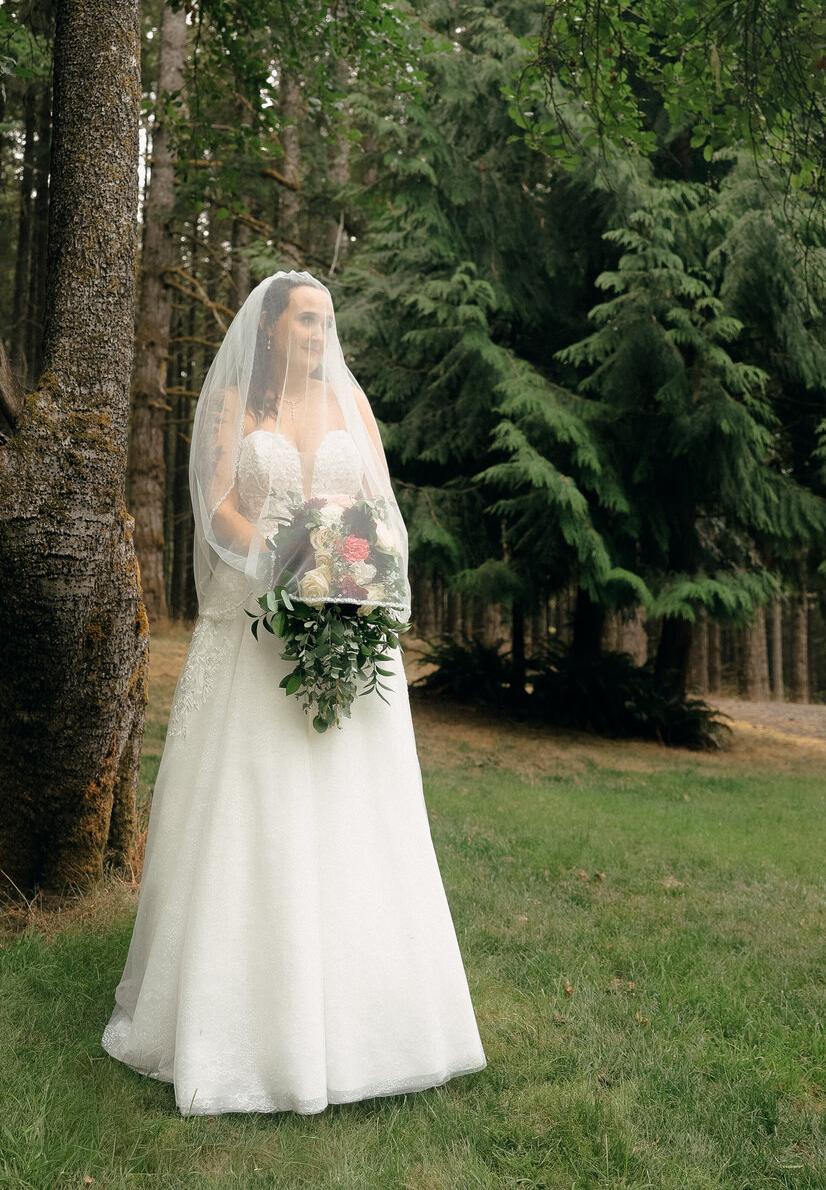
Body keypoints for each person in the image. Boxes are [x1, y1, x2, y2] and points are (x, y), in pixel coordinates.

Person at [102, 270, 485, 1116]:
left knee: (353, 817)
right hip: (254, 625)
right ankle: (239, 1017)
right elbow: (220, 509)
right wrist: (288, 561)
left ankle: (372, 1015)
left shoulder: (355, 409)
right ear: (271, 328)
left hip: (343, 623)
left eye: (328, 321)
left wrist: (351, 574)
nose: (321, 333)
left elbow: (382, 514)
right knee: (254, 809)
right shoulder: (235, 403)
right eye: (307, 320)